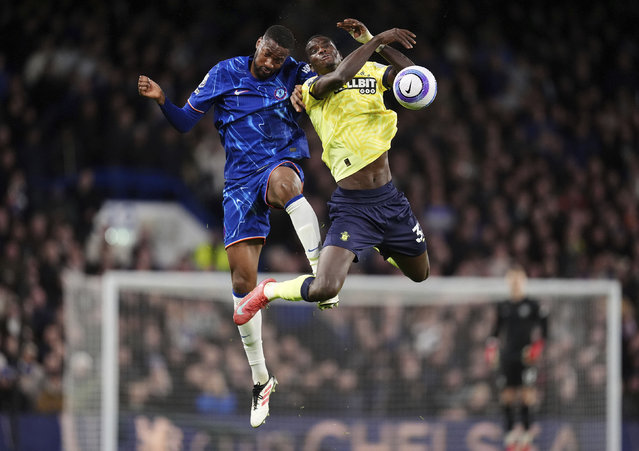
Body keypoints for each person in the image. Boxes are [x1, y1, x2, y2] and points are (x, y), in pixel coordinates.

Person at [138, 24, 337, 428]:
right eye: (267, 55)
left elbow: (326, 84)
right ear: (257, 46)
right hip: (239, 185)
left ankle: (320, 272)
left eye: (278, 60)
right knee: (243, 290)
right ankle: (261, 379)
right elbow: (182, 123)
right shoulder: (224, 73)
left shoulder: (294, 72)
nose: (270, 64)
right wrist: (163, 100)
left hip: (280, 163)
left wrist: (311, 91)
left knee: (285, 184)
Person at [233, 19, 429, 324]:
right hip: (354, 207)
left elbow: (413, 78)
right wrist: (377, 41)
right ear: (310, 63)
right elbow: (339, 76)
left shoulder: (371, 71)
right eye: (314, 50)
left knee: (421, 274)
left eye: (327, 46)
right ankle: (267, 292)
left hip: (390, 201)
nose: (321, 50)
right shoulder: (311, 89)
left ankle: (381, 242)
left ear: (338, 50)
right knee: (324, 288)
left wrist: (371, 38)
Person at [484, 264, 548, 451]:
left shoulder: (533, 305)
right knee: (508, 397)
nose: (515, 283)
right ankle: (511, 438)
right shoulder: (503, 306)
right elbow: (495, 332)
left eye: (518, 279)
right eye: (512, 279)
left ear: (524, 281)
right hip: (507, 357)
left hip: (526, 357)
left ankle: (526, 439)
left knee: (527, 396)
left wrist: (537, 347)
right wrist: (491, 348)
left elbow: (544, 329)